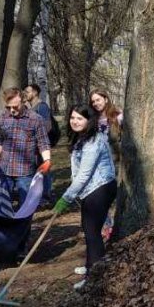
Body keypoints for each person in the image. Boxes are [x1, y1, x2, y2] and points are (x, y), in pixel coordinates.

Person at [53, 104, 117, 290]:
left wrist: (66, 197)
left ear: (89, 121)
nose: (75, 121)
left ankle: (95, 278)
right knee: (91, 233)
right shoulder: (82, 138)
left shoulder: (93, 142)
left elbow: (84, 174)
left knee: (92, 234)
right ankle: (93, 268)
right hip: (92, 189)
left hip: (99, 188)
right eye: (72, 117)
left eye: (79, 118)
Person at [0, 88, 52, 207]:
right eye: (8, 107)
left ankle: (25, 226)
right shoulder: (2, 118)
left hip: (25, 172)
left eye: (15, 106)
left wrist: (47, 160)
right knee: (3, 206)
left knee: (25, 207)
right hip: (4, 170)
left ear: (23, 101)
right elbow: (0, 142)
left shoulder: (36, 119)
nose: (12, 110)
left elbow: (43, 143)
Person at [24, 83, 56, 201]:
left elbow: (48, 126)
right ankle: (37, 195)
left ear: (35, 92)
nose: (26, 94)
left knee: (44, 169)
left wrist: (38, 137)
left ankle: (46, 195)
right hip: (31, 146)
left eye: (28, 92)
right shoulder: (27, 107)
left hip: (41, 145)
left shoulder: (42, 106)